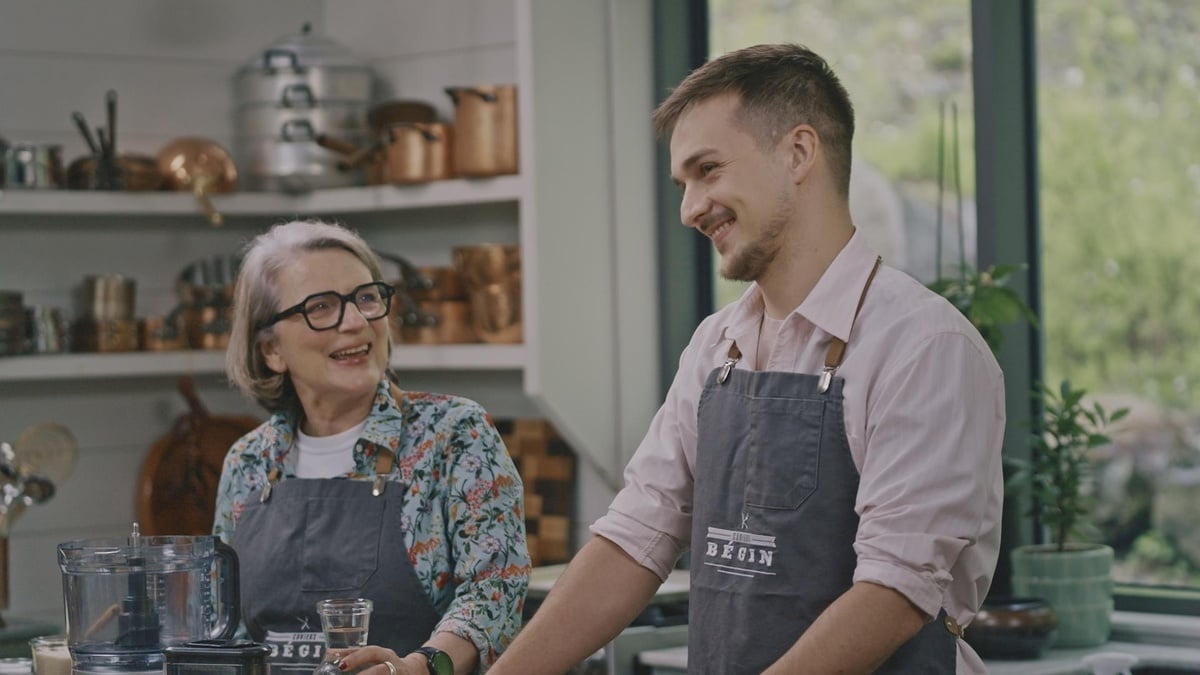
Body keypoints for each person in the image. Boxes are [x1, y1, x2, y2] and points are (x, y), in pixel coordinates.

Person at [490, 43, 1005, 674]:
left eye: (708, 170)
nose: (689, 209)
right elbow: (635, 538)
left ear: (798, 153)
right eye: (683, 184)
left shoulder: (924, 346)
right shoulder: (716, 346)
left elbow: (894, 592)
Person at [214, 219, 530, 675]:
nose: (356, 321)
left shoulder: (454, 433)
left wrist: (418, 669)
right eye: (320, 307)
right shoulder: (248, 462)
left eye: (366, 298)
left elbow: (494, 593)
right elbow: (226, 628)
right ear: (271, 350)